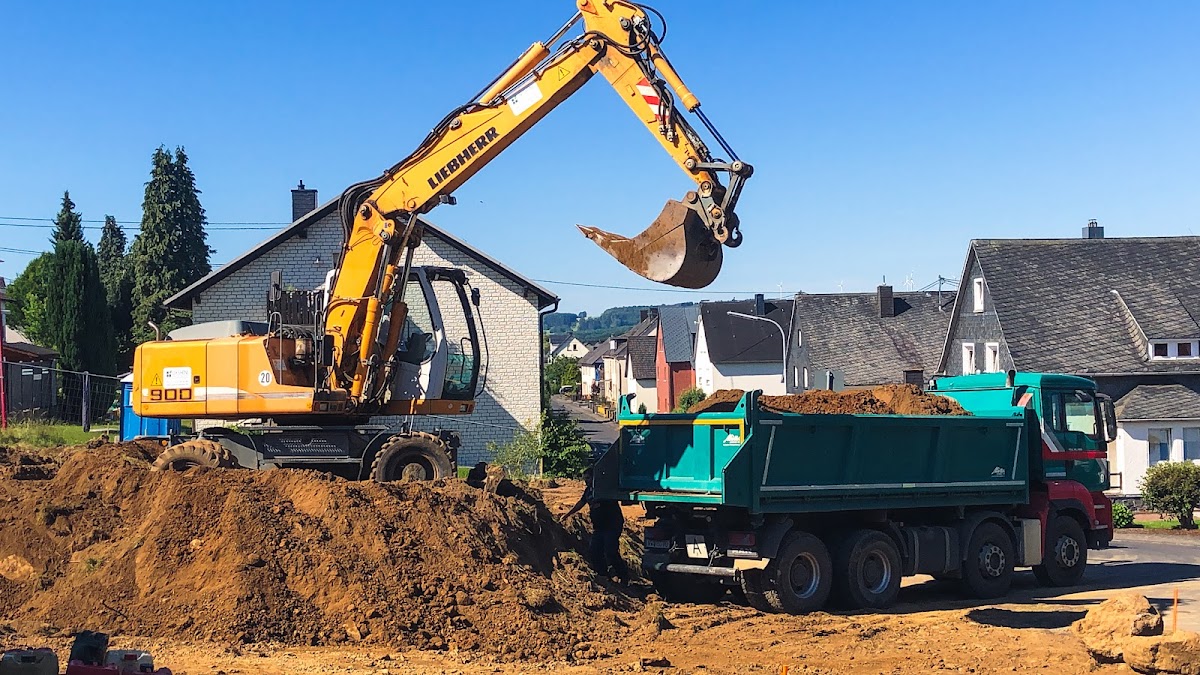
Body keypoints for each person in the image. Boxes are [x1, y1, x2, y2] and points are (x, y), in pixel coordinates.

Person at [564, 466, 629, 583]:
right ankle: (603, 575)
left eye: (588, 478)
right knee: (594, 551)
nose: (586, 481)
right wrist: (568, 514)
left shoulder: (605, 489)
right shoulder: (588, 491)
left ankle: (623, 576)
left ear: (595, 478)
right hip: (599, 527)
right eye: (585, 479)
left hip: (612, 525)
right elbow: (581, 503)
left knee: (610, 551)